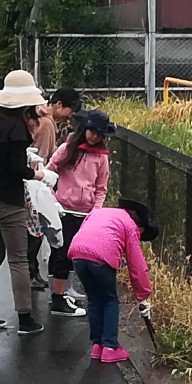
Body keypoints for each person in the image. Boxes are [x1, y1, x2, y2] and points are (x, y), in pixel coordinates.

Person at [0, 70, 59, 335]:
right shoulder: (16, 126)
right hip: (7, 198)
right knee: (19, 260)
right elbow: (17, 169)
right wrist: (41, 174)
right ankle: (25, 319)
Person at [68, 199, 158, 363]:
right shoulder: (130, 225)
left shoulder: (99, 213)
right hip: (101, 257)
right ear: (141, 227)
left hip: (77, 254)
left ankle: (97, 346)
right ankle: (110, 347)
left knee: (95, 299)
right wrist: (143, 296)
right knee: (110, 300)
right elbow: (137, 265)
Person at [45, 110, 114, 316]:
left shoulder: (101, 158)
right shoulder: (67, 149)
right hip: (64, 209)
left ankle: (63, 290)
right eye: (91, 131)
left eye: (99, 134)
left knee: (75, 252)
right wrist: (53, 199)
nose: (94, 136)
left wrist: (96, 212)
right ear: (84, 129)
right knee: (61, 252)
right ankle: (57, 298)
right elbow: (48, 173)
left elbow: (101, 188)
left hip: (85, 214)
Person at [27, 87, 80, 291]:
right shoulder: (48, 124)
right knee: (36, 230)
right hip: (36, 182)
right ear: (58, 104)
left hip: (32, 180)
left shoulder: (39, 117)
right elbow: (40, 157)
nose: (70, 115)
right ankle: (32, 273)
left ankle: (33, 273)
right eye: (69, 109)